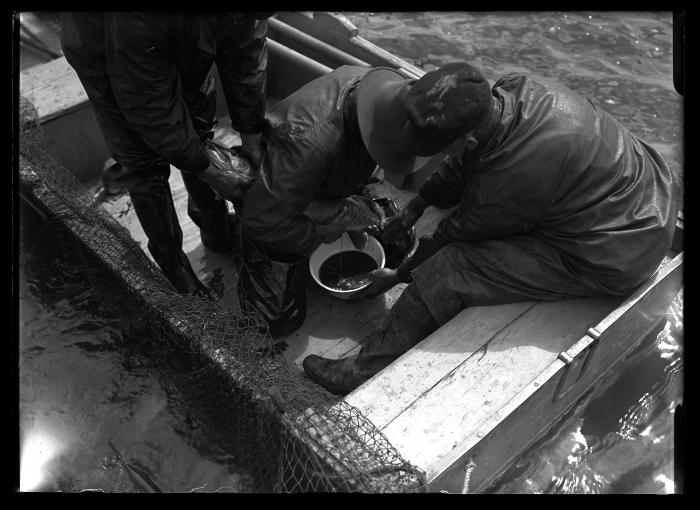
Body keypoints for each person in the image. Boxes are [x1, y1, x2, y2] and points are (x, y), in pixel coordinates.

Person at [302, 62, 681, 395]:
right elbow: (468, 159)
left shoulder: (513, 179)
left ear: (465, 137)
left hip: (619, 249)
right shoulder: (508, 92)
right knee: (481, 194)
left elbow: (457, 235)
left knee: (451, 268)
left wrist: (400, 274)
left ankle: (362, 369)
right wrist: (416, 206)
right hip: (640, 191)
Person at [61, 12, 270, 296]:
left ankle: (214, 225)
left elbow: (245, 51)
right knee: (143, 164)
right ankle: (175, 267)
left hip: (180, 32)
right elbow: (150, 108)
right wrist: (209, 171)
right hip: (103, 45)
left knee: (198, 128)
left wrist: (252, 137)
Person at [237, 65, 428, 338]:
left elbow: (368, 164)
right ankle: (250, 247)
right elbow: (260, 220)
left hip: (321, 181)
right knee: (275, 323)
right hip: (272, 195)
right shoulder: (309, 142)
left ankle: (314, 247)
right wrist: (319, 234)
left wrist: (367, 203)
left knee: (390, 231)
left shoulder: (383, 102)